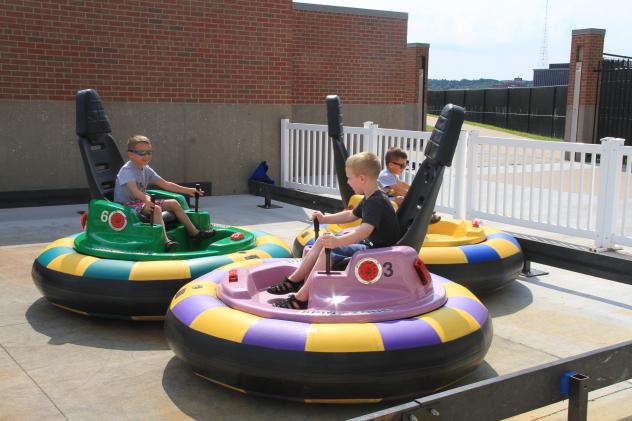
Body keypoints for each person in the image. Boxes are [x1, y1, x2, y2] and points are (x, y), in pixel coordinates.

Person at [268, 152, 399, 309]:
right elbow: (351, 215)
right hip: (371, 245)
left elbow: (364, 231)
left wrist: (337, 242)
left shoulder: (376, 202)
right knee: (322, 240)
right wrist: (325, 219)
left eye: (349, 177)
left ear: (362, 178)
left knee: (327, 250)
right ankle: (293, 281)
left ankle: (301, 299)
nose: (348, 182)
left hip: (378, 251)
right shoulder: (371, 197)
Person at [113, 135, 215, 251]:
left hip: (141, 202)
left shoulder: (145, 168)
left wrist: (188, 190)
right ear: (130, 154)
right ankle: (166, 241)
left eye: (149, 152)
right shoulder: (127, 170)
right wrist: (147, 199)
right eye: (141, 153)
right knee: (155, 209)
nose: (146, 156)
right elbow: (135, 191)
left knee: (174, 203)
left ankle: (195, 234)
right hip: (126, 206)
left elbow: (165, 184)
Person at [378, 147, 441, 223]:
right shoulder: (386, 175)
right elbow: (396, 190)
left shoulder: (391, 174)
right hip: (381, 200)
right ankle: (424, 217)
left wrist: (413, 188)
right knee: (402, 199)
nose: (404, 168)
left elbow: (401, 183)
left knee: (407, 199)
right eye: (402, 166)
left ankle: (426, 214)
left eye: (405, 164)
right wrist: (412, 195)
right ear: (391, 165)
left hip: (388, 197)